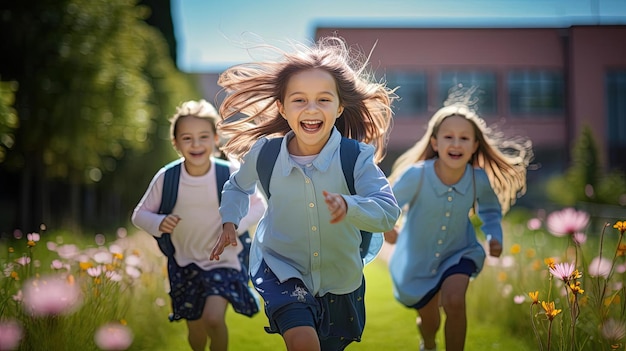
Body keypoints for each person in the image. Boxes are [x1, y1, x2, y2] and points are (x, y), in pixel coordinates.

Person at [209, 36, 401, 351]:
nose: (311, 109)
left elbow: (387, 212)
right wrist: (229, 220)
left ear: (340, 107)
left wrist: (349, 205)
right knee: (302, 342)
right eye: (299, 100)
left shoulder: (356, 158)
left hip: (341, 282)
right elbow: (237, 185)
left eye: (323, 99)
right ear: (282, 107)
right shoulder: (265, 154)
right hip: (281, 269)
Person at [384, 86, 533, 351]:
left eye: (464, 138)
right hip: (419, 260)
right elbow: (388, 205)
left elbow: (489, 210)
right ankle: (428, 343)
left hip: (460, 251)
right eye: (449, 137)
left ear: (475, 145)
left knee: (454, 301)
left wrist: (493, 236)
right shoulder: (416, 176)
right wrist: (389, 228)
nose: (456, 143)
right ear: (435, 143)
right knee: (429, 321)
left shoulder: (478, 180)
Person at [131, 99, 266, 351]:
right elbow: (139, 216)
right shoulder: (167, 177)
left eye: (203, 136)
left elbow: (259, 205)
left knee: (214, 319)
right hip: (184, 263)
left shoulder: (229, 174)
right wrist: (160, 222)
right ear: (176, 143)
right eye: (187, 138)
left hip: (224, 261)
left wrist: (234, 225)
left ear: (216, 139)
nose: (196, 144)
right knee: (196, 332)